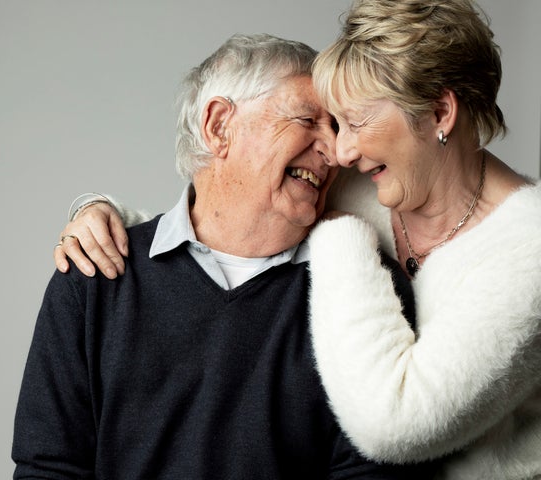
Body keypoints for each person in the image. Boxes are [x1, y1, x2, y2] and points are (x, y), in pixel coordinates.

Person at [54, 1, 541, 479]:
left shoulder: (527, 249)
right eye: (322, 122)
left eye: (355, 122)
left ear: (439, 112)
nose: (340, 152)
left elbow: (393, 425)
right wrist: (102, 219)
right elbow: (221, 222)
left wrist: (337, 234)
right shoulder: (373, 185)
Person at [13, 33, 434, 479]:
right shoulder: (95, 276)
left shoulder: (364, 287)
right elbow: (48, 468)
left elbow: (375, 472)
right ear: (218, 126)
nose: (334, 152)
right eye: (308, 120)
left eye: (335, 128)